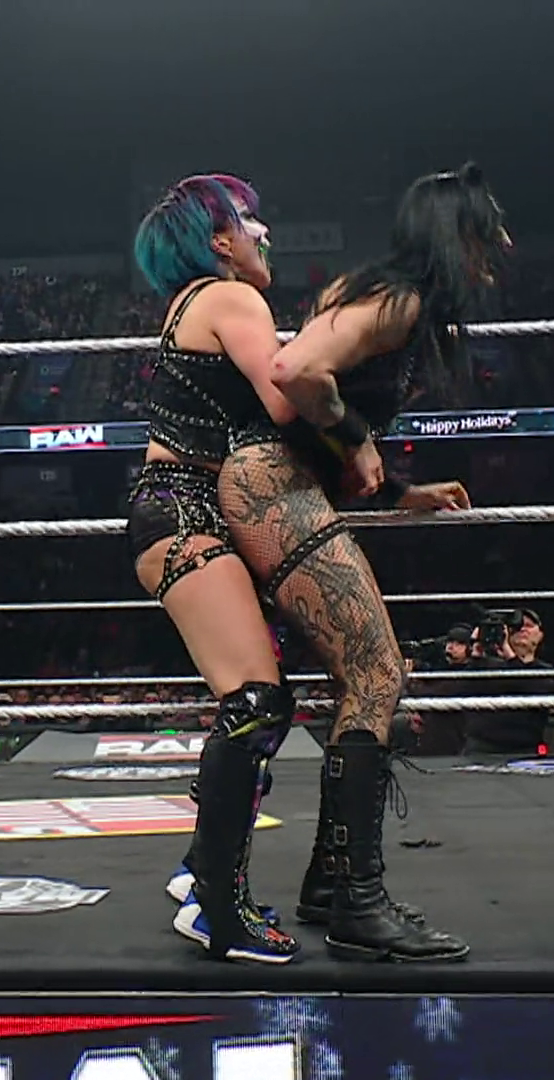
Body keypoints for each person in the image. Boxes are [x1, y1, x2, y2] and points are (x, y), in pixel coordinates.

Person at [216, 162, 510, 962]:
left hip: (287, 483)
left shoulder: (390, 299)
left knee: (364, 677)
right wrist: (358, 439)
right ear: (457, 236)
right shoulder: (398, 299)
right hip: (271, 485)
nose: (502, 246)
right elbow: (295, 372)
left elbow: (327, 420)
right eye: (488, 230)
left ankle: (330, 885)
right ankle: (358, 902)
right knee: (379, 672)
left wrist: (401, 491)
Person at [124, 173, 302, 964]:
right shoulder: (231, 298)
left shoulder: (194, 303)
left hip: (187, 509)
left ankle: (202, 867)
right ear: (219, 240)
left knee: (265, 699)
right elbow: (290, 401)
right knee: (256, 702)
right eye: (250, 221)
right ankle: (217, 911)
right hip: (185, 511)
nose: (265, 233)